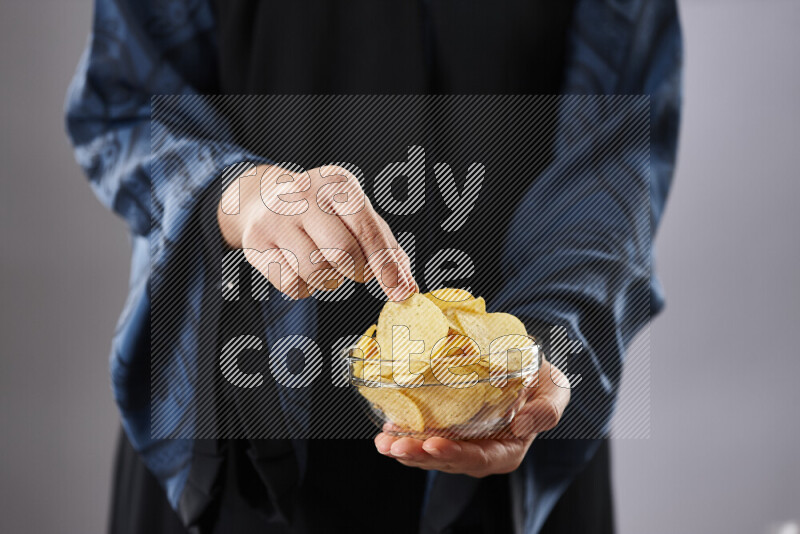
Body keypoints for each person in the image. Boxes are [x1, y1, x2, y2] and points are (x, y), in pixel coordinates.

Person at [65, 1, 682, 533]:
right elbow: (123, 99)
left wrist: (540, 344)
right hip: (238, 431)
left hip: (513, 443)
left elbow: (618, 143)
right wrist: (238, 194)